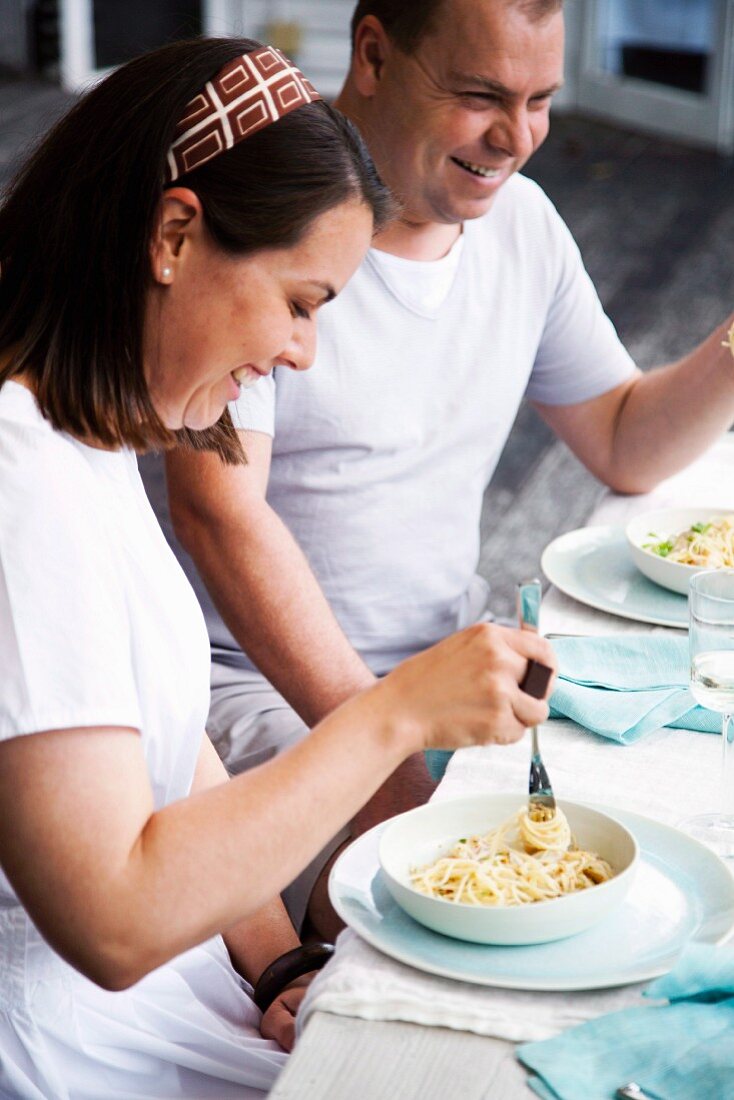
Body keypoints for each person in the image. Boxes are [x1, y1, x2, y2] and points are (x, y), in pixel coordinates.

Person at [0, 35, 557, 1100]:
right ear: (173, 234)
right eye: (299, 301)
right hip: (76, 1055)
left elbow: (174, 754)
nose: (300, 352)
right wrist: (389, 715)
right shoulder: (23, 487)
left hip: (178, 1002)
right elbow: (112, 921)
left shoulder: (96, 436)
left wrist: (279, 957)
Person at [145, 0, 734, 941]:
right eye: (480, 95)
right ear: (373, 53)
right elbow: (218, 512)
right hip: (257, 688)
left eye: (543, 100)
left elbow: (624, 438)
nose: (519, 138)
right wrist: (383, 759)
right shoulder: (272, 237)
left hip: (448, 659)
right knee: (423, 913)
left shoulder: (523, 227)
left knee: (636, 845)